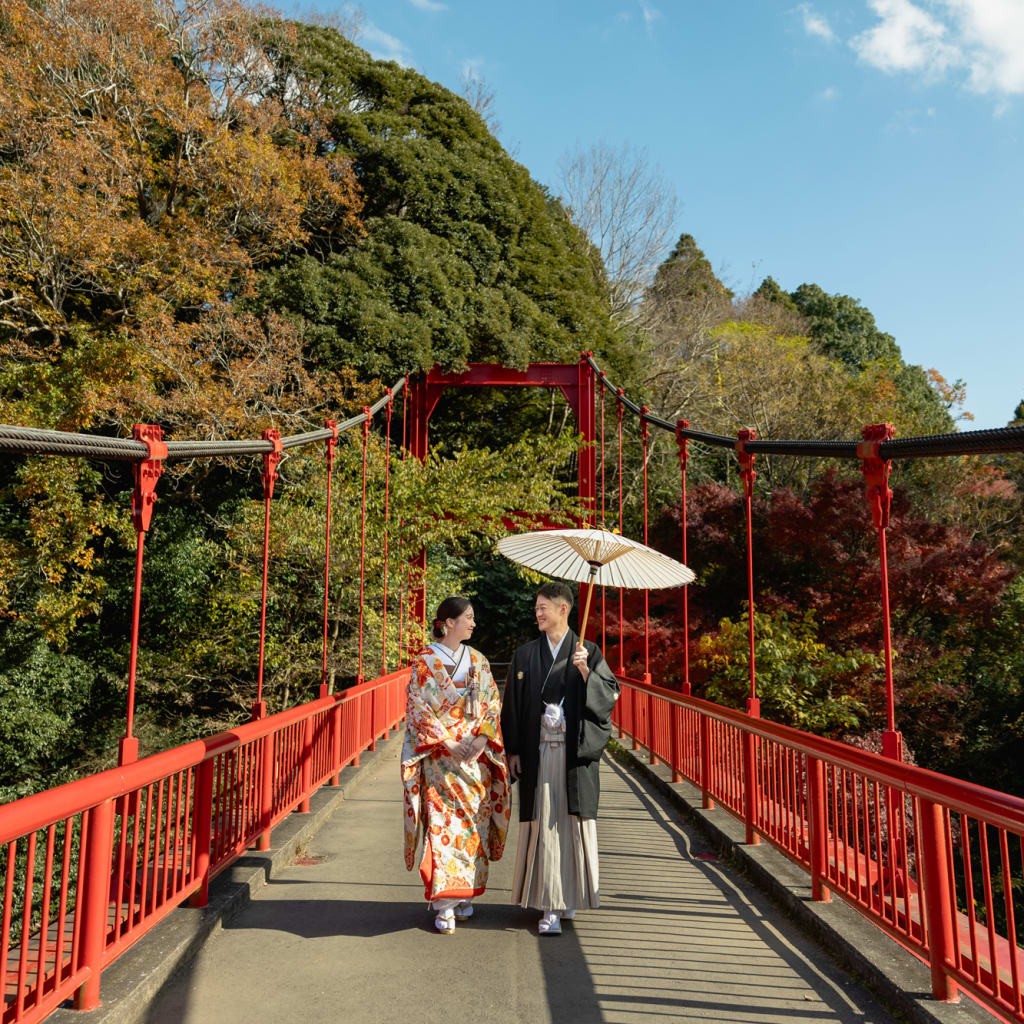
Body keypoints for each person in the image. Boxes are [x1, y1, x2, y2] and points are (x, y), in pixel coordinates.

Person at [500, 580, 620, 935]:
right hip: (538, 752)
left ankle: (568, 896)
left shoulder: (589, 652)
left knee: (569, 825)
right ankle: (549, 905)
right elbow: (512, 706)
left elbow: (609, 697)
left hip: (573, 754)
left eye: (543, 607)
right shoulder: (526, 654)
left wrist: (586, 672)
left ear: (563, 609)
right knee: (545, 822)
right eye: (537, 608)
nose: (537, 613)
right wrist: (513, 750)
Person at [401, 596, 510, 934]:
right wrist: (447, 742)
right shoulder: (425, 661)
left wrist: (482, 740)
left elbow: (492, 703)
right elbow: (417, 707)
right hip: (441, 760)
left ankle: (463, 896)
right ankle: (444, 904)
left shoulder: (479, 661)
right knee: (443, 828)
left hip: (475, 759)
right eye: (468, 617)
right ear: (449, 623)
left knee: (474, 828)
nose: (473, 623)